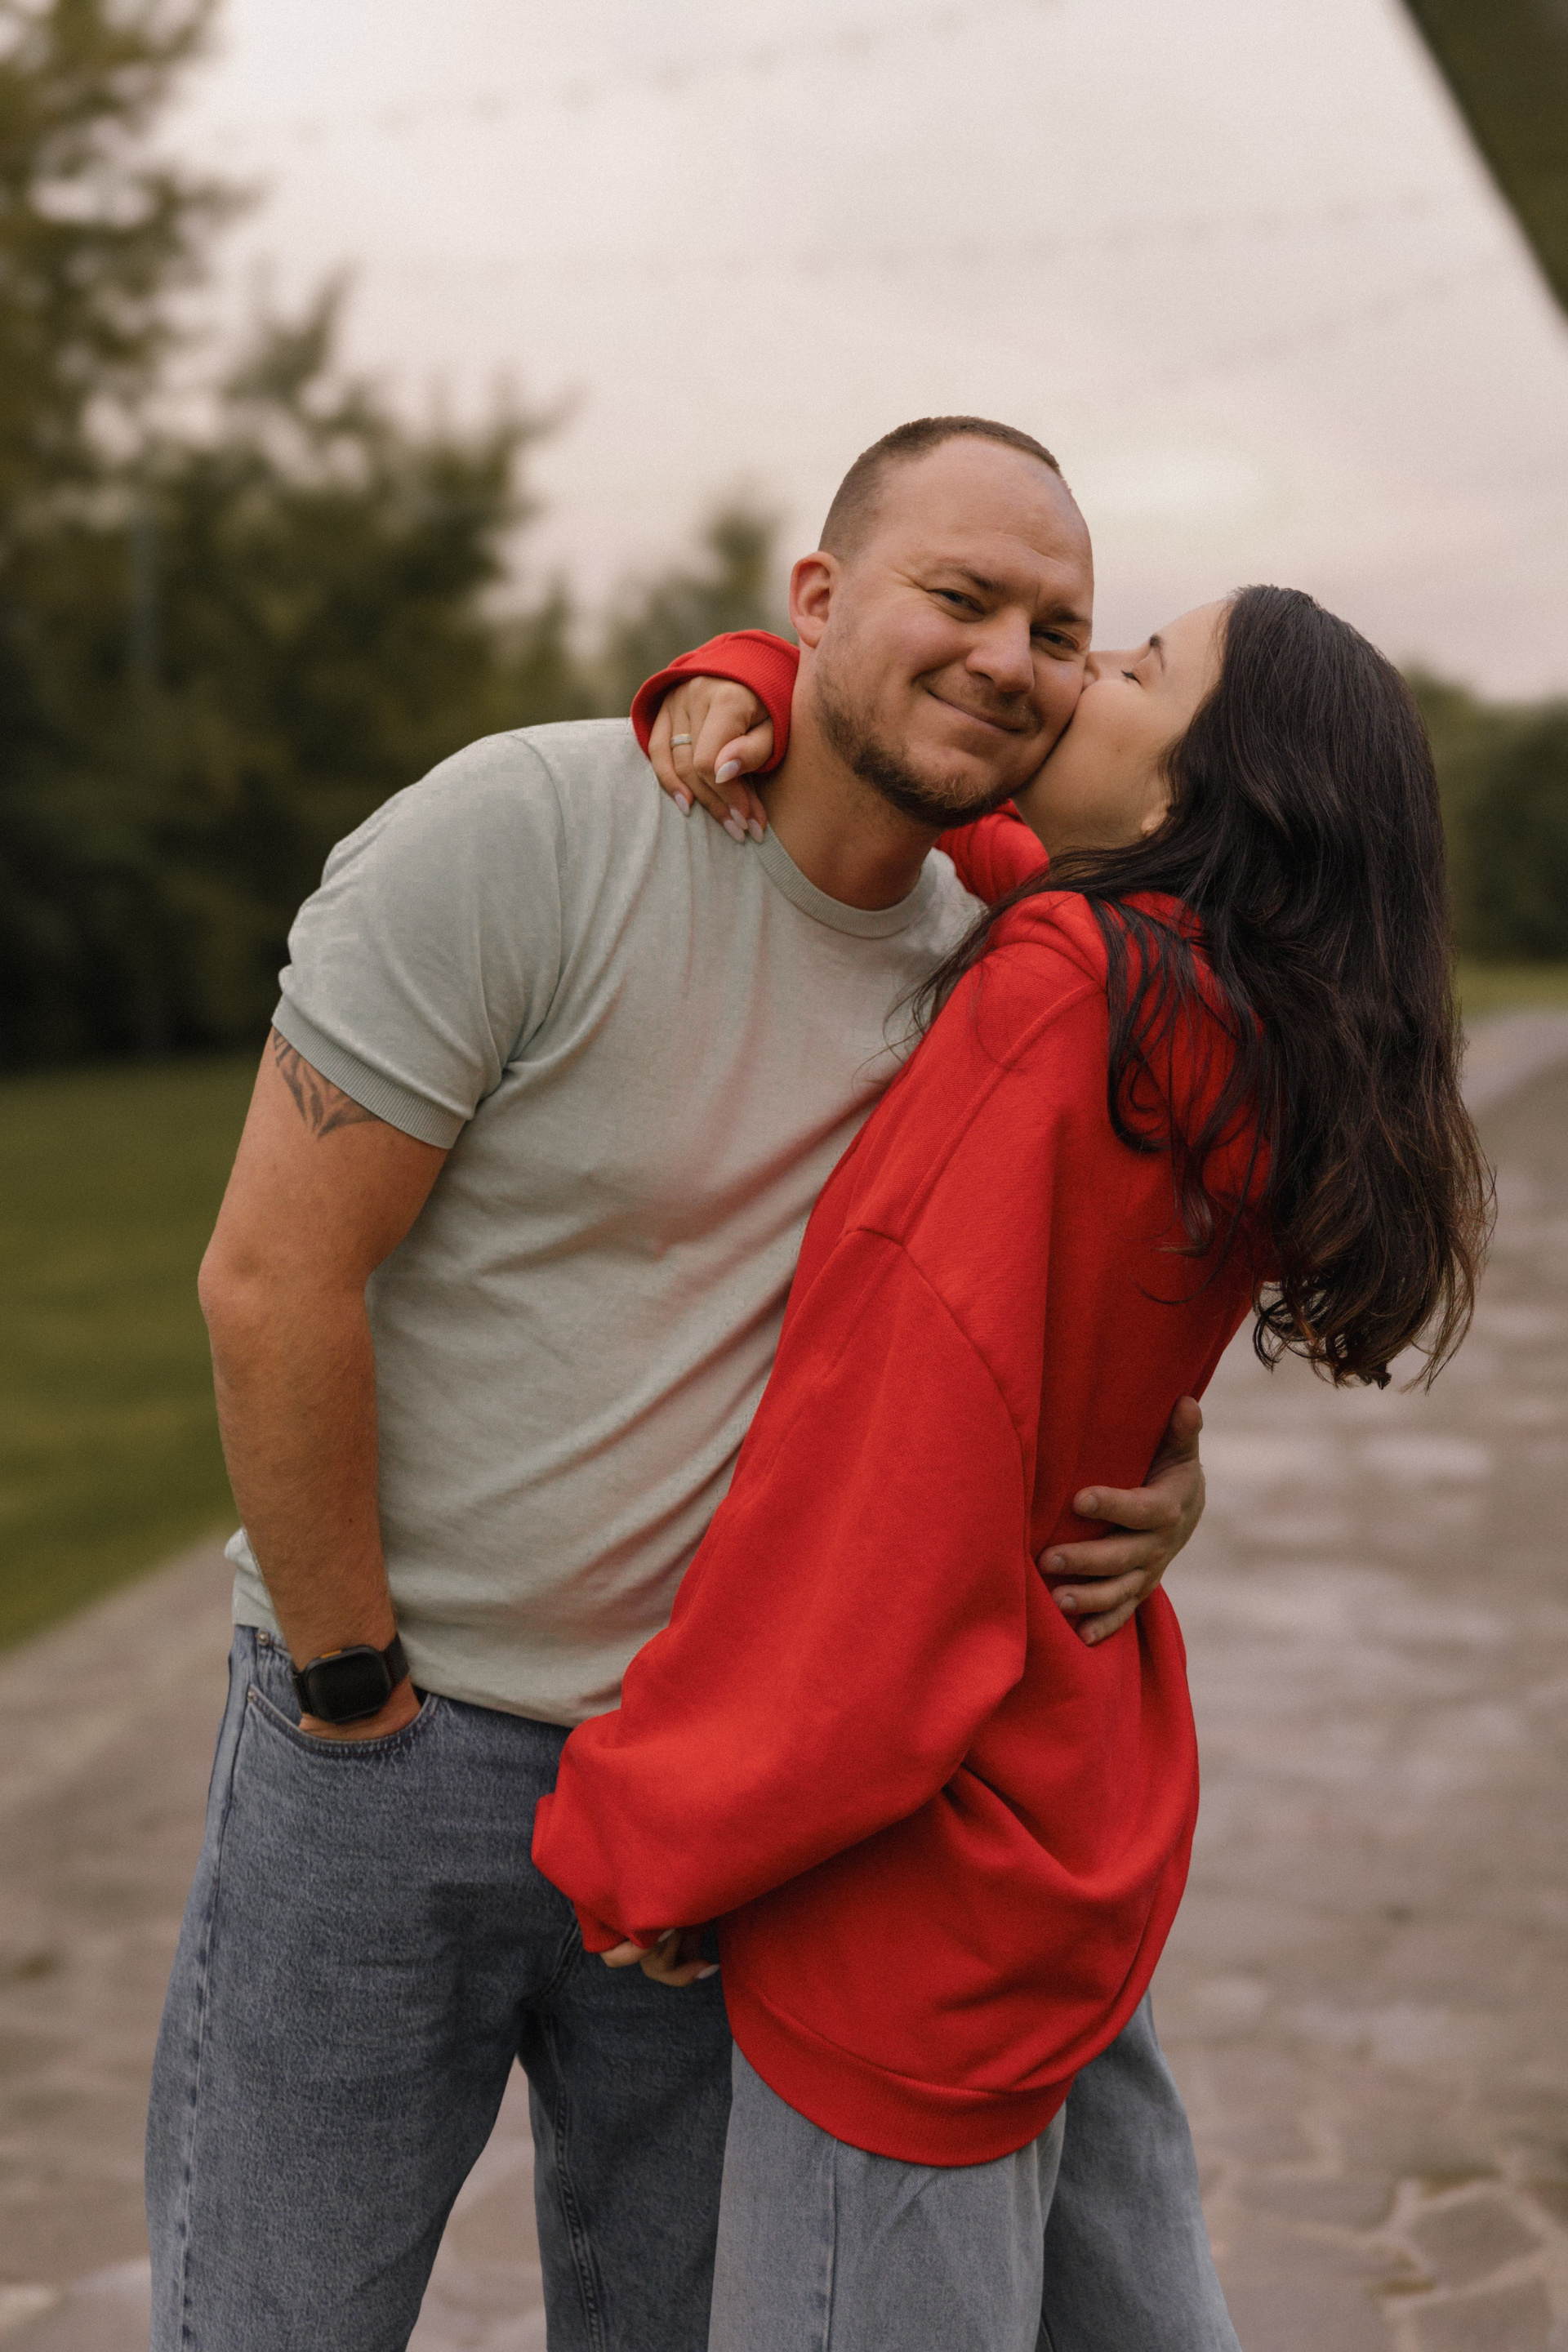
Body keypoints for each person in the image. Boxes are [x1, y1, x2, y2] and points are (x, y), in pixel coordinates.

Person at [144, 416, 1215, 2352]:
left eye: (1061, 632)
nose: (1010, 657)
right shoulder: (528, 831)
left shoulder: (1005, 957)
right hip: (394, 1747)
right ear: (815, 600)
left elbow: (1066, 1298)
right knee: (270, 2322)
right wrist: (350, 1688)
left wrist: (1174, 1465)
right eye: (960, 595)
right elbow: (270, 1279)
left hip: (721, 1811)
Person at [532, 583, 1490, 2352]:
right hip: (1068, 1812)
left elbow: (886, 1489)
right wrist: (763, 678)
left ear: (1207, 796)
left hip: (916, 1891)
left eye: (1138, 669)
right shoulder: (1232, 1016)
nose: (1080, 676)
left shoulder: (1066, 1006)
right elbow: (975, 816)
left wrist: (660, 1830)